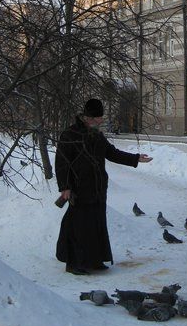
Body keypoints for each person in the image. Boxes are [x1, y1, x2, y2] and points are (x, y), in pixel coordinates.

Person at [55, 98, 152, 275]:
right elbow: (62, 163)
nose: (100, 121)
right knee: (78, 227)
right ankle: (74, 263)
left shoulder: (97, 136)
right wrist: (65, 187)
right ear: (88, 116)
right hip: (79, 189)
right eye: (98, 117)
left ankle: (94, 260)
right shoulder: (69, 135)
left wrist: (135, 158)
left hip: (98, 190)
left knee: (97, 226)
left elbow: (112, 153)